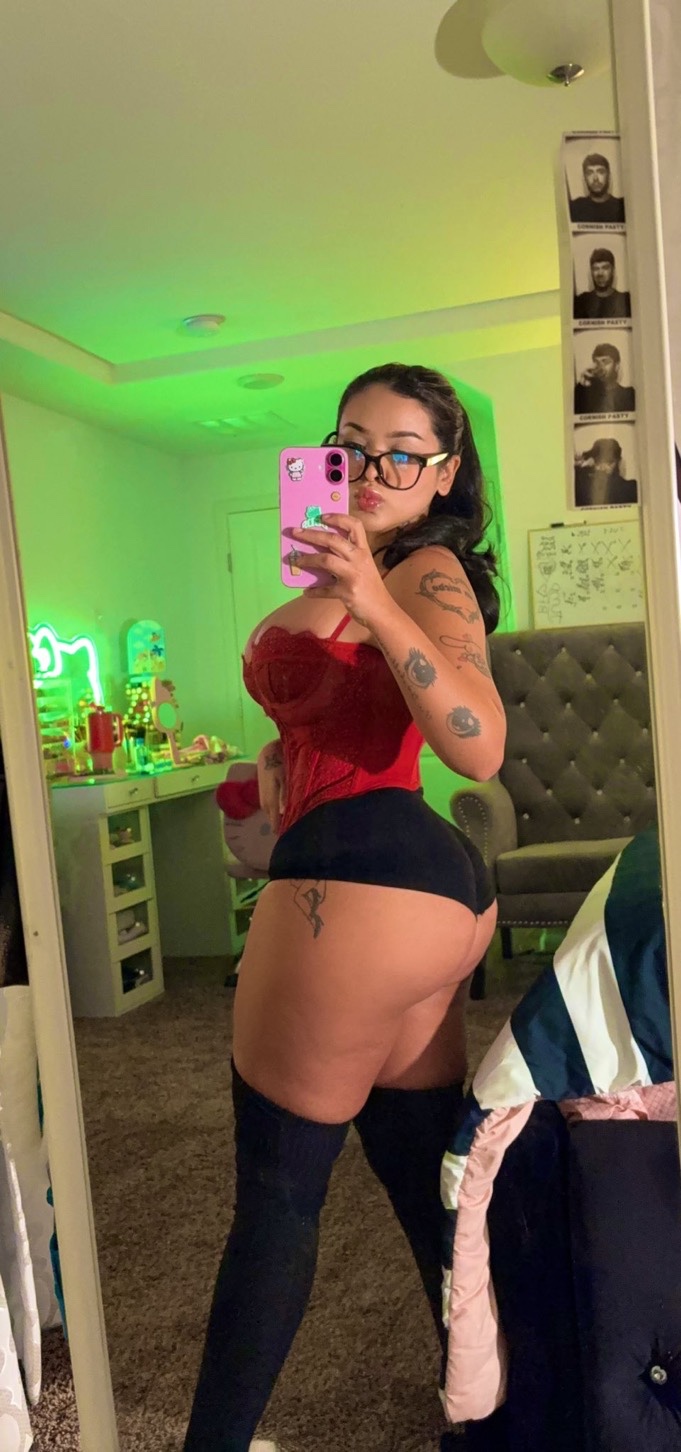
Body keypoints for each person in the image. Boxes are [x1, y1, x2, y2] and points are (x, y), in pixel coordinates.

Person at [183, 363, 506, 1452]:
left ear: (445, 474)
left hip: (360, 888)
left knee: (278, 1200)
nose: (372, 470)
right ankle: (498, 1422)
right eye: (351, 445)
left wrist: (370, 595)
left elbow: (479, 745)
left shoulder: (422, 570)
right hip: (409, 897)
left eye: (403, 454)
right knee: (424, 1192)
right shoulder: (351, 560)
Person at [574, 341, 636, 415]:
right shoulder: (584, 395)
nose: (601, 367)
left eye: (606, 362)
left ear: (617, 366)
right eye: (597, 362)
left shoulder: (628, 394)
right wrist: (582, 387)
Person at [574, 437, 638, 506]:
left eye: (609, 462)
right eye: (599, 462)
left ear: (618, 462)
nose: (603, 467)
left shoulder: (629, 488)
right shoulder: (582, 483)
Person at [574, 247, 631, 320]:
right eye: (595, 268)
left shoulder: (625, 300)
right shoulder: (581, 302)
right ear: (591, 272)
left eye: (605, 268)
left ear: (613, 270)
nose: (600, 273)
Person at [569, 152, 626, 224]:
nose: (595, 178)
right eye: (589, 173)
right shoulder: (575, 207)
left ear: (608, 175)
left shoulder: (622, 206)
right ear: (585, 178)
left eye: (601, 172)